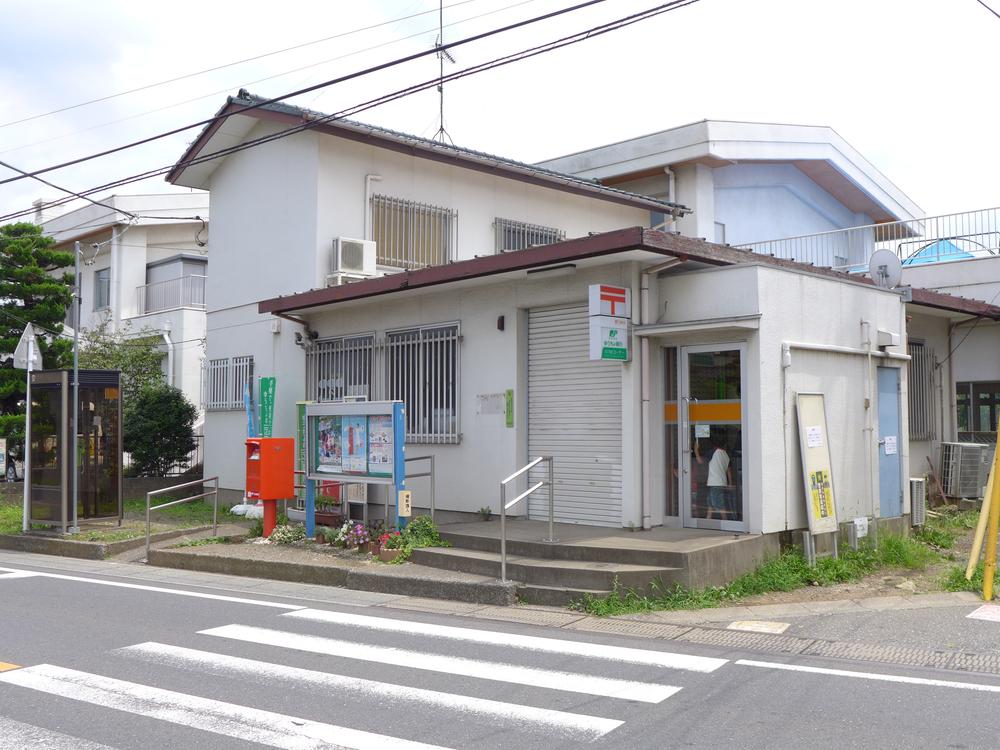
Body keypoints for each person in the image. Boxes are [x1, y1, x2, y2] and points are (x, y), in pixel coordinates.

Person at [705, 432, 733, 520]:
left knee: (718, 503)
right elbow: (729, 471)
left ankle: (725, 520)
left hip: (714, 482)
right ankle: (708, 519)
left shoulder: (713, 452)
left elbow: (700, 461)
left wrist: (696, 450)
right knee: (710, 502)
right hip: (721, 482)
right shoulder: (726, 454)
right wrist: (730, 483)